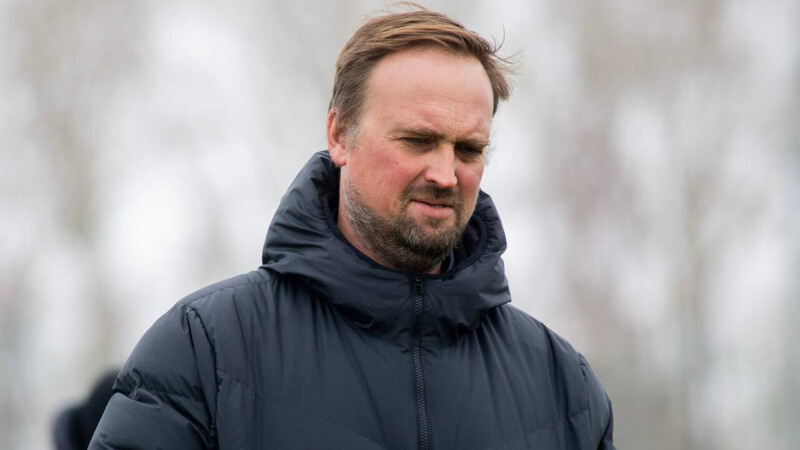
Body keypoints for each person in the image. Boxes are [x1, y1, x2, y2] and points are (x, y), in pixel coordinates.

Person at [90, 6, 614, 449]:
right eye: (418, 141)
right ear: (340, 135)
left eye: (468, 149)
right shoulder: (206, 351)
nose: (445, 173)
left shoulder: (564, 389)